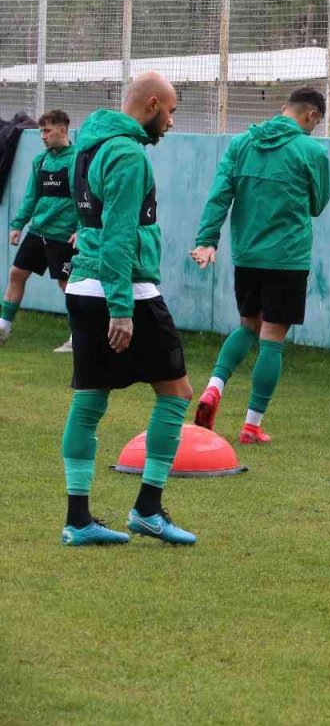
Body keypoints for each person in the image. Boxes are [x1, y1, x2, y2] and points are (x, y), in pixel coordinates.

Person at [59, 71, 198, 547]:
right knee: (177, 393)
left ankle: (78, 521)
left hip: (82, 285)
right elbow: (119, 234)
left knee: (91, 398)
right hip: (124, 291)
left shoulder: (89, 145)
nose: (172, 122)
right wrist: (121, 309)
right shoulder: (128, 154)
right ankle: (147, 509)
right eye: (172, 112)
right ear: (153, 104)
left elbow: (90, 221)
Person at [190, 87, 330, 444]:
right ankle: (251, 425)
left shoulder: (241, 144)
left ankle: (213, 388)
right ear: (312, 116)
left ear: (284, 108)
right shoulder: (311, 151)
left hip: (247, 255)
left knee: (247, 326)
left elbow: (220, 193)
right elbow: (317, 204)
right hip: (287, 257)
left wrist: (207, 240)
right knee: (272, 338)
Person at [3, 109, 78, 352]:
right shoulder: (41, 160)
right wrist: (17, 225)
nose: (43, 136)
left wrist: (82, 230)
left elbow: (85, 199)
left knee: (68, 285)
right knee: (16, 273)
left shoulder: (77, 160)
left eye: (47, 131)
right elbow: (31, 196)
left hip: (64, 235)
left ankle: (78, 337)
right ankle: (3, 327)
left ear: (63, 130)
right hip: (38, 231)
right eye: (41, 131)